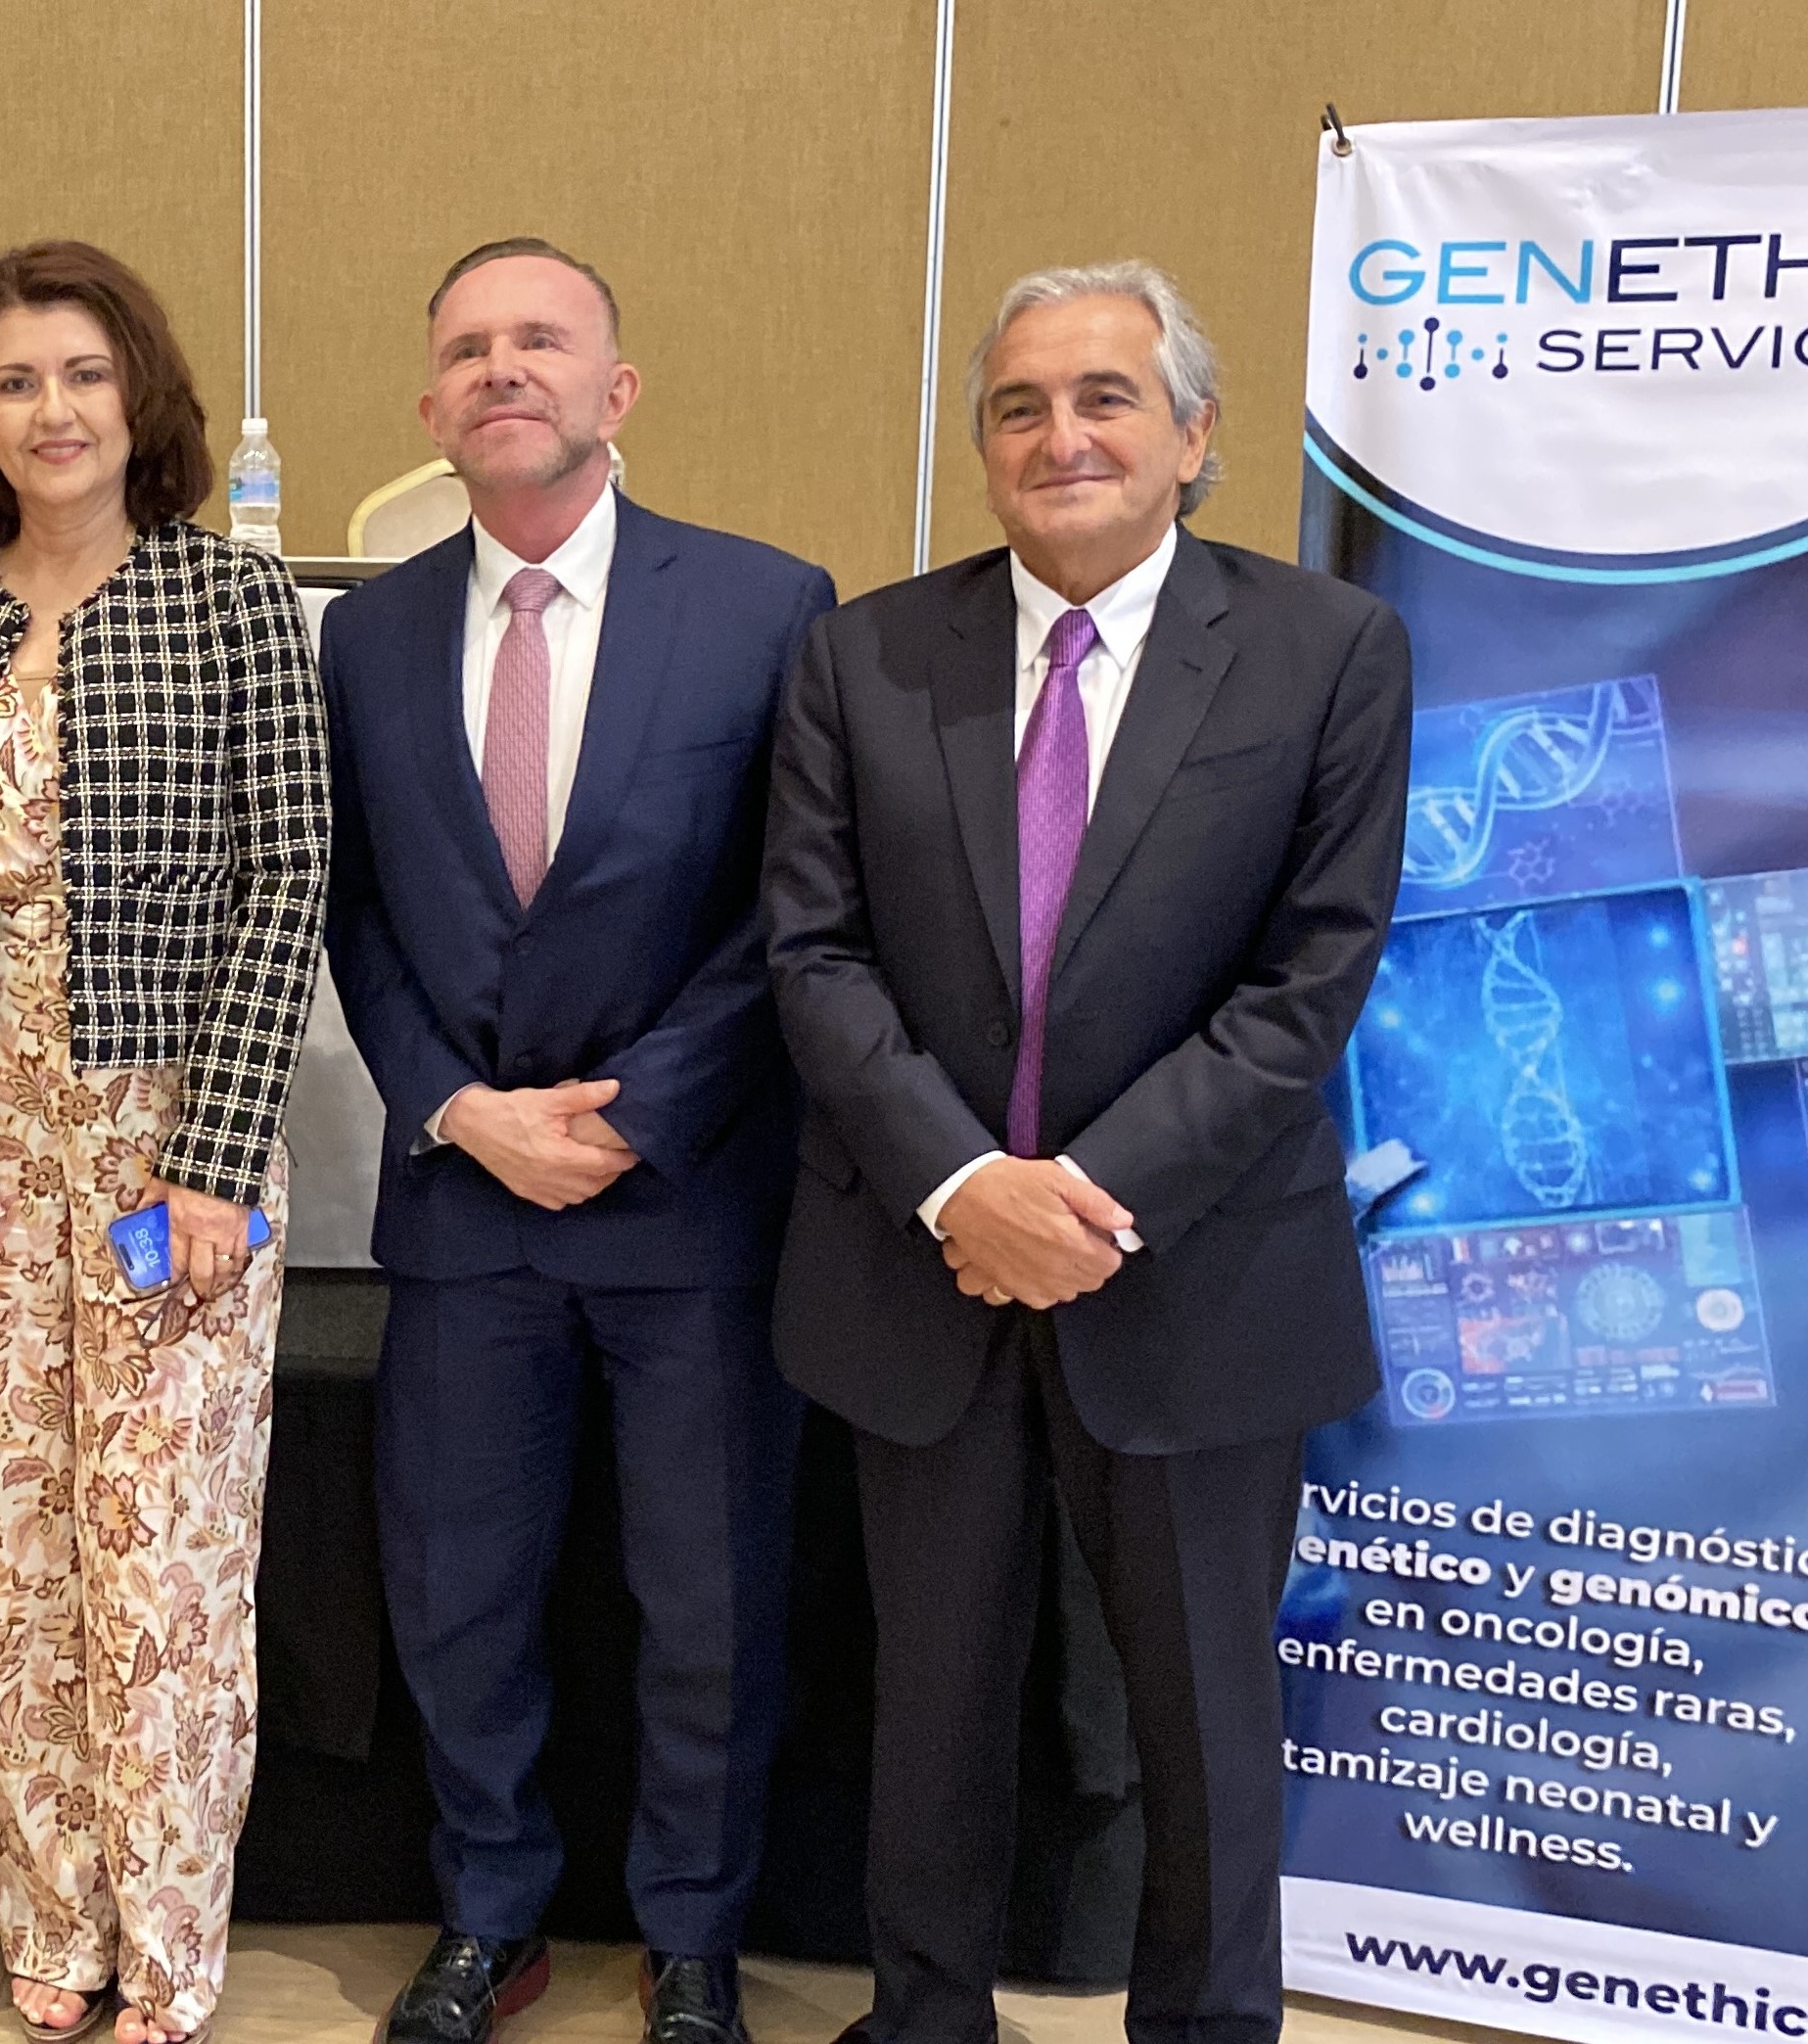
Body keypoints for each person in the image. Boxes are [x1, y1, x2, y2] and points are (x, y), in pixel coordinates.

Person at [764, 261, 1411, 2044]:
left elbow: (1311, 975)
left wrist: (1087, 1206)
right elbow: (811, 955)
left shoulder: (1325, 650)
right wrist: (964, 1188)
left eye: (1105, 397)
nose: (1061, 436)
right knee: (929, 1710)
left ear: (1192, 435)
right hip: (923, 1266)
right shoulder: (862, 653)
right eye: (1019, 406)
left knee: (1201, 1720)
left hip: (1201, 1272)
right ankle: (924, 2020)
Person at [323, 238, 831, 2044]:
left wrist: (635, 1115)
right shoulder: (365, 635)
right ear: (428, 407)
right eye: (466, 348)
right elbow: (352, 913)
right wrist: (459, 1109)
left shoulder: (765, 606)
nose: (501, 368)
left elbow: (794, 907)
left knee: (704, 1605)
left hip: (685, 1200)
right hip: (466, 1205)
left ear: (616, 390)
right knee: (458, 1599)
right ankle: (489, 1915)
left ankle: (690, 1936)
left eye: (538, 340)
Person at [0, 240, 327, 2044]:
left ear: (142, 396)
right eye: (16, 380)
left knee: (163, 1557)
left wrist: (217, 1156)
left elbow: (288, 882)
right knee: (7, 1552)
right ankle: (50, 1914)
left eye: (84, 374)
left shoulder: (230, 599)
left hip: (165, 1146)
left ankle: (170, 1945)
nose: (53, 410)